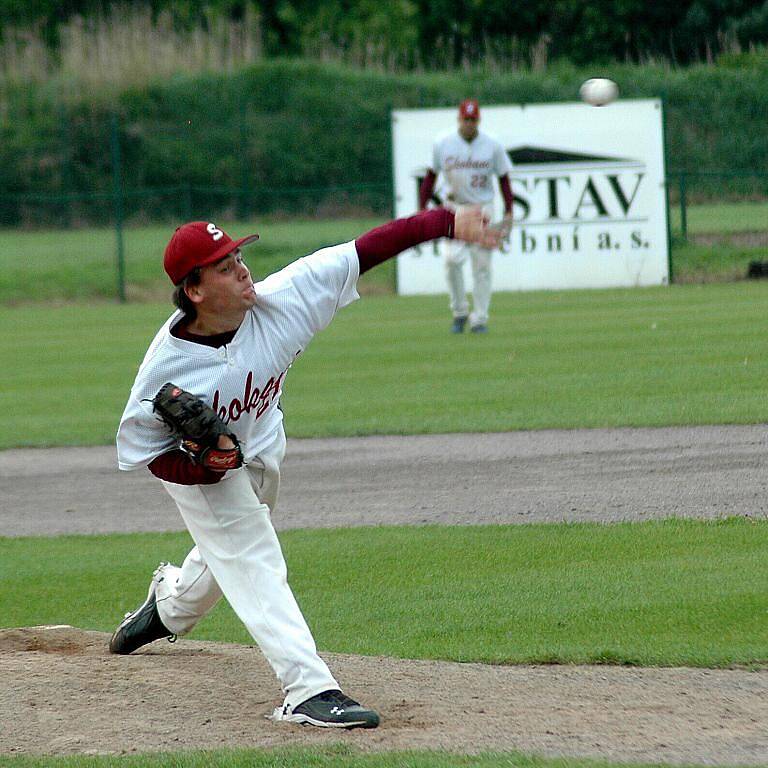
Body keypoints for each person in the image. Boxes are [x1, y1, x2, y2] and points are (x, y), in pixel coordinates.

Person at [110, 208, 501, 730]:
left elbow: (366, 250)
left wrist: (448, 222)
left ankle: (170, 607)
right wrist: (205, 468)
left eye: (238, 257)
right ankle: (308, 689)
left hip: (264, 444)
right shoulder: (166, 368)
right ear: (196, 290)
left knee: (229, 551)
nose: (242, 270)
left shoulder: (284, 299)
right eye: (224, 267)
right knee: (253, 556)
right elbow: (148, 453)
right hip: (201, 473)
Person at [419, 98, 514, 334]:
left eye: (473, 119)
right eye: (466, 119)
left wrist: (509, 211)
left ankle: (479, 318)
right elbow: (430, 177)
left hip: (482, 208)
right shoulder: (443, 143)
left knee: (482, 265)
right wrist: (422, 209)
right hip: (455, 209)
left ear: (478, 120)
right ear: (459, 119)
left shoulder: (492, 144)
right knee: (451, 261)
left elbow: (503, 178)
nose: (469, 123)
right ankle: (460, 312)